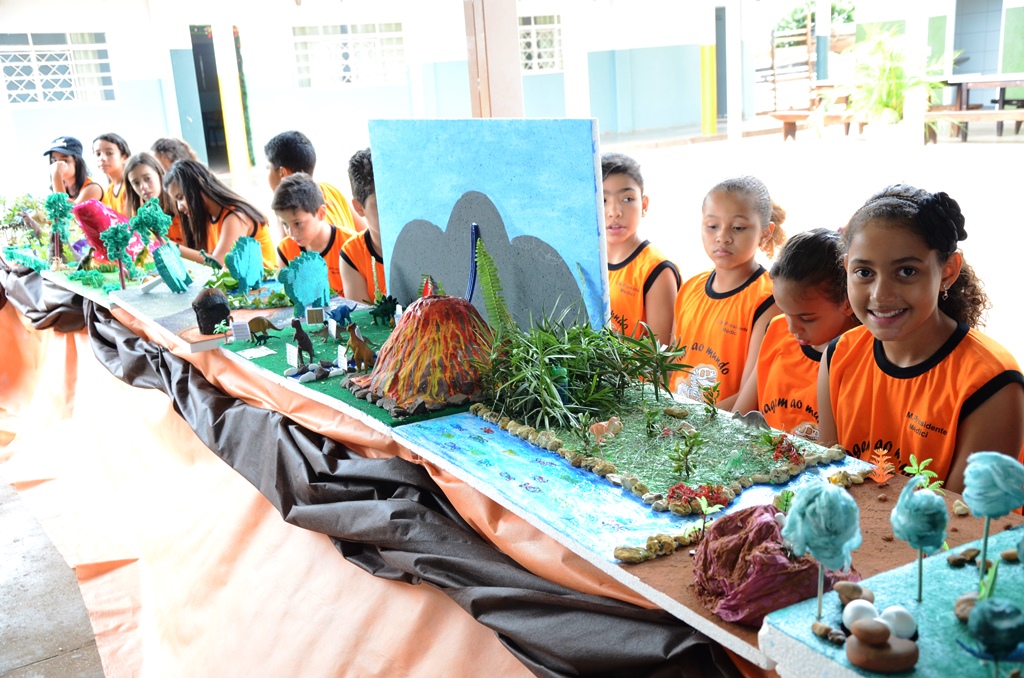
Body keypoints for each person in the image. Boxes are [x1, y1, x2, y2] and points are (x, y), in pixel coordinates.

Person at [818, 185, 1024, 494]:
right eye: (864, 272)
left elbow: (960, 524)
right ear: (847, 268)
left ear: (948, 271)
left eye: (906, 271)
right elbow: (830, 479)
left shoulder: (991, 384)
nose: (881, 294)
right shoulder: (839, 356)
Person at [669, 176, 785, 410]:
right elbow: (670, 365)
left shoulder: (769, 301)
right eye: (712, 226)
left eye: (738, 227)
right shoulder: (690, 287)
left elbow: (748, 397)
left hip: (718, 431)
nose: (722, 236)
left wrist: (692, 422)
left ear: (765, 232)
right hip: (676, 423)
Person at [733, 228, 859, 440]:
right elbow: (740, 417)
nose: (792, 328)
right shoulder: (777, 330)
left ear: (847, 302)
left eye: (806, 318)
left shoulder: (859, 357)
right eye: (784, 312)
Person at [601, 152, 680, 343]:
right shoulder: (588, 259)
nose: (614, 212)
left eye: (627, 199)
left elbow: (660, 358)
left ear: (644, 205)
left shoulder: (657, 271)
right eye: (603, 200)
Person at [163, 159, 275, 268]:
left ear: (199, 184)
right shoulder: (209, 218)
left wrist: (172, 247)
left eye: (181, 197)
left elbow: (219, 264)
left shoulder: (235, 216)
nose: (179, 207)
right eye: (176, 201)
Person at [264, 130, 362, 242]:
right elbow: (364, 237)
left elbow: (284, 256)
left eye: (267, 168)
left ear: (282, 173)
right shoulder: (330, 190)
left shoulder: (290, 216)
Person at [271, 172, 346, 295]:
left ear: (321, 213)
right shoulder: (285, 250)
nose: (291, 233)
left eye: (297, 223)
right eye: (285, 224)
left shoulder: (349, 246)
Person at [341, 148, 385, 303]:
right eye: (380, 205)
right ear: (359, 207)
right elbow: (364, 323)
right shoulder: (352, 254)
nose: (391, 212)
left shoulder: (423, 242)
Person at [123, 152, 183, 244]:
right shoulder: (138, 218)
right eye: (136, 183)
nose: (143, 187)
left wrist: (162, 242)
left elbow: (204, 256)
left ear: (160, 175)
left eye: (147, 178)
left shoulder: (182, 207)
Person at [44, 136, 103, 204]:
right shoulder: (62, 187)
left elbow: (68, 211)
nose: (58, 165)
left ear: (77, 162)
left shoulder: (93, 188)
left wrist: (57, 175)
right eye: (54, 160)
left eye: (64, 161)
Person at [94, 133, 131, 216]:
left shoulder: (130, 186)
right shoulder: (110, 189)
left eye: (109, 153)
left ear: (124, 157)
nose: (102, 158)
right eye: (98, 154)